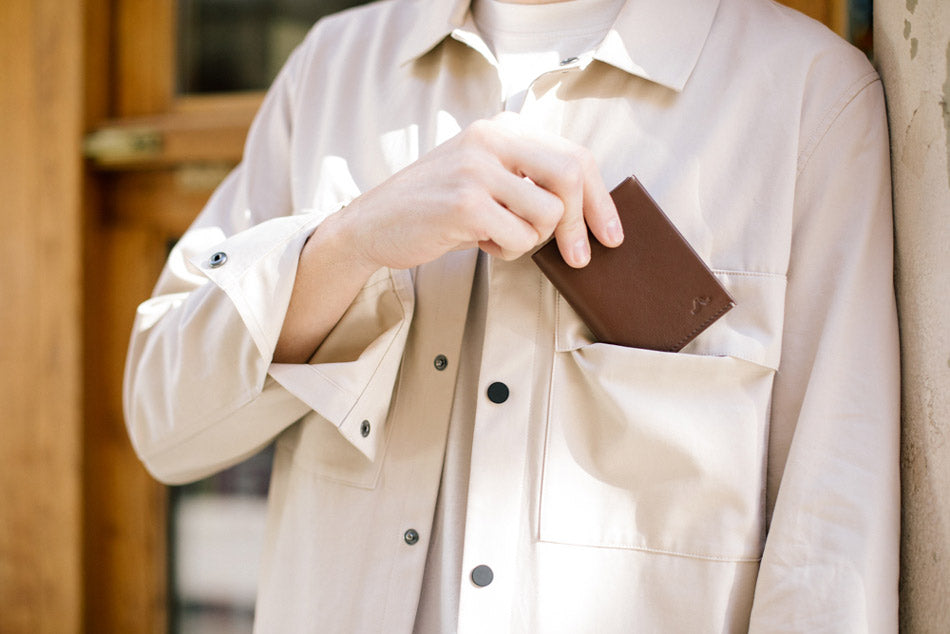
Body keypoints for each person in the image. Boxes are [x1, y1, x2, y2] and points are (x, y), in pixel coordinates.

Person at [123, 0, 900, 630]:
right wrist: (351, 241)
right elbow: (164, 422)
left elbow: (832, 545)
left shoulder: (808, 97)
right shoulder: (328, 70)